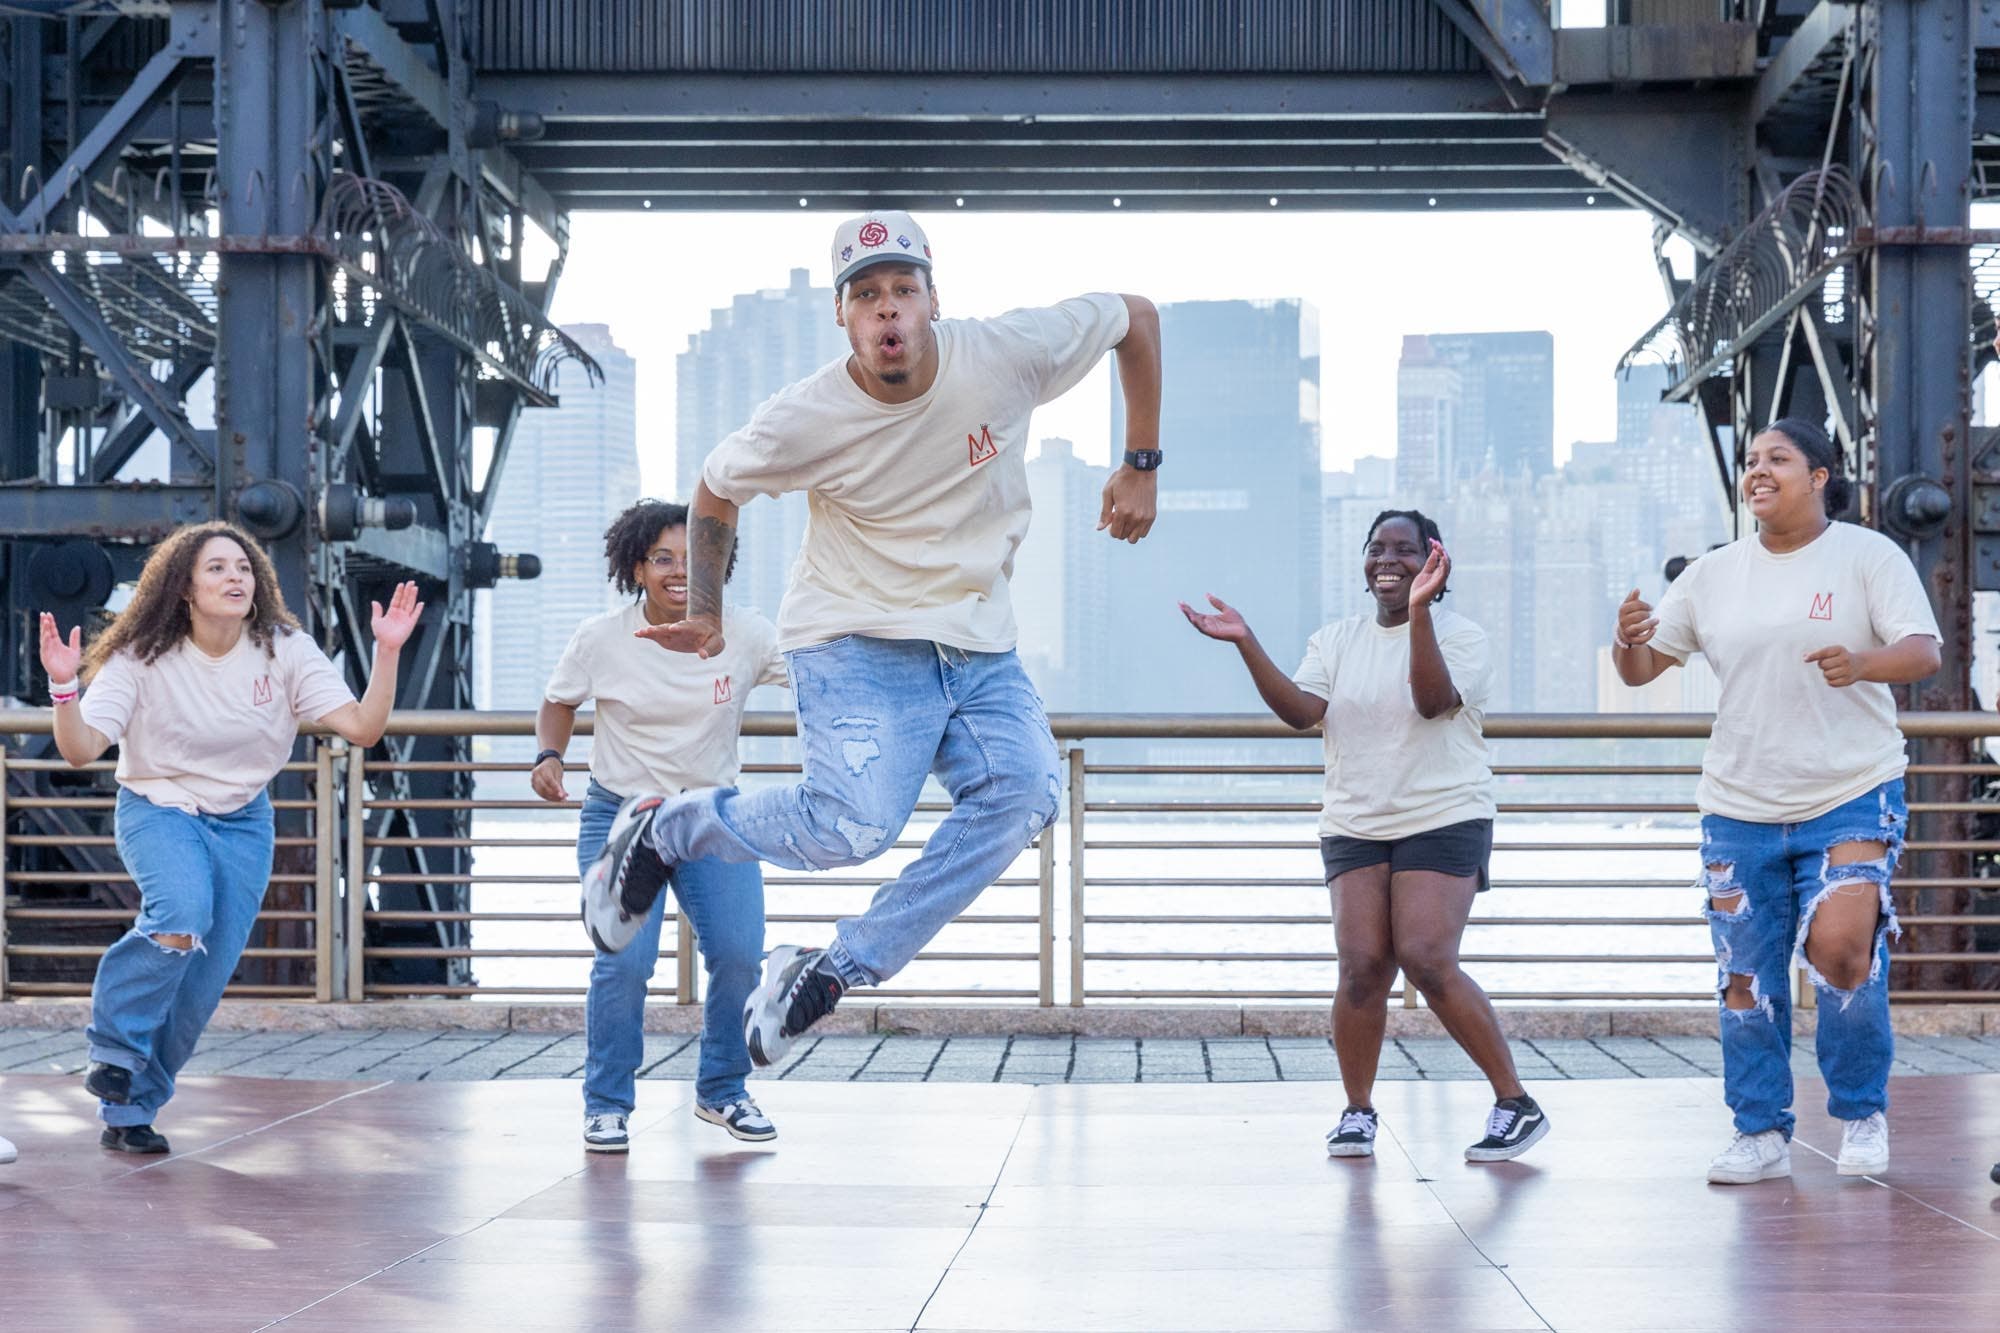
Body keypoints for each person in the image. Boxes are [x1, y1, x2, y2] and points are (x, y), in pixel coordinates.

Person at [582, 210, 1162, 1066]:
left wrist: (1140, 459)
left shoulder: (1007, 353)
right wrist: (705, 609)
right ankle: (664, 829)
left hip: (977, 644)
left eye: (902, 290)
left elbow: (1137, 315)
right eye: (865, 297)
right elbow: (714, 485)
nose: (887, 311)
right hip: (852, 633)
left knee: (1028, 792)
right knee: (850, 828)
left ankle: (829, 970)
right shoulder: (810, 414)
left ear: (933, 300)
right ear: (844, 318)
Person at [1614, 418, 1940, 1185]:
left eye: (1778, 459)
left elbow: (1923, 651)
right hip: (1739, 801)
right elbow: (1641, 671)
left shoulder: (1867, 555)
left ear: (1819, 475)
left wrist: (1861, 661)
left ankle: (1860, 1112)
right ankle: (1759, 1129)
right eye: (1752, 460)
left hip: (1851, 789)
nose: (1758, 470)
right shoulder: (1712, 573)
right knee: (1745, 978)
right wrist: (1629, 637)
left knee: (1840, 953)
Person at [1182, 510, 1549, 1163]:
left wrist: (1420, 613)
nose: (1388, 559)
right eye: (1377, 548)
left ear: (1432, 560)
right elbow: (1302, 711)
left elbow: (1432, 701)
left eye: (1405, 550)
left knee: (1427, 957)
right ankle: (1357, 1111)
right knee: (1361, 969)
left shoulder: (1463, 637)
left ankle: (1515, 1102)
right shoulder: (1335, 640)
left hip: (1444, 813)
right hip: (1355, 819)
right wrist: (1245, 641)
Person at [40, 522, 418, 1153]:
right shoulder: (141, 657)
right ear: (183, 586)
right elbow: (81, 749)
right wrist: (63, 688)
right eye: (216, 568)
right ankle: (114, 1046)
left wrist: (387, 652)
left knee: (201, 985)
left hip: (243, 819)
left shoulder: (284, 650)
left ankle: (130, 1109)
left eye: (243, 567)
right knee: (181, 914)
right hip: (158, 806)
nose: (234, 577)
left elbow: (362, 728)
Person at [535, 500, 786, 1150]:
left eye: (694, 558)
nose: (680, 571)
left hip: (710, 816)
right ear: (638, 567)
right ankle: (607, 1102)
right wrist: (548, 757)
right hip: (621, 815)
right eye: (663, 558)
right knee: (623, 961)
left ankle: (723, 1090)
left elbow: (820, 680)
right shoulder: (602, 638)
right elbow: (560, 700)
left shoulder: (750, 634)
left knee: (737, 952)